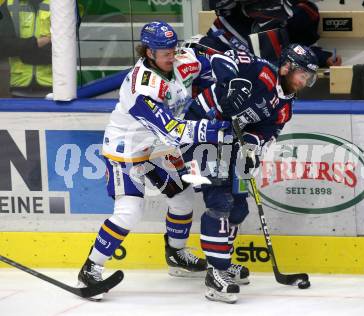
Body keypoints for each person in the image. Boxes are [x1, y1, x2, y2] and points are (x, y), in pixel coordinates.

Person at [77, 21, 232, 299]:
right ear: (148, 52)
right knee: (129, 212)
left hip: (155, 150)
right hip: (126, 151)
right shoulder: (142, 87)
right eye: (165, 52)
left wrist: (226, 79)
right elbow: (172, 131)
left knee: (183, 200)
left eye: (174, 48)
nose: (172, 55)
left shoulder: (179, 61)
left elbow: (213, 66)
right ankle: (90, 268)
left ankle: (175, 254)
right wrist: (213, 128)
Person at [184, 43, 318, 303]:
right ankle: (216, 271)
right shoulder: (260, 71)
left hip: (230, 143)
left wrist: (253, 146)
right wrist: (229, 82)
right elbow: (222, 56)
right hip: (199, 131)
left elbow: (267, 133)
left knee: (238, 209)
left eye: (308, 77)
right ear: (287, 67)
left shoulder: (285, 107)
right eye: (303, 74)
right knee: (220, 202)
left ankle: (222, 258)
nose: (305, 81)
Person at [201, 0, 341, 67]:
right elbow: (218, 6)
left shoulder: (303, 12)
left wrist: (321, 58)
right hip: (220, 43)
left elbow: (289, 51)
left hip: (256, 61)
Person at [0, 0, 52, 97]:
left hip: (55, 87)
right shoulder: (7, 3)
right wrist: (37, 43)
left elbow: (64, 46)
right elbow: (3, 46)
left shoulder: (62, 3)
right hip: (19, 86)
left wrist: (21, 49)